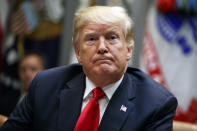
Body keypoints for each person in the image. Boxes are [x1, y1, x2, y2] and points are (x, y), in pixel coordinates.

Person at [0, 6, 177, 131]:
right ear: (78, 53)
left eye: (112, 38)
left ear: (129, 50)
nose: (102, 47)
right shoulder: (45, 85)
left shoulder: (155, 104)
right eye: (91, 39)